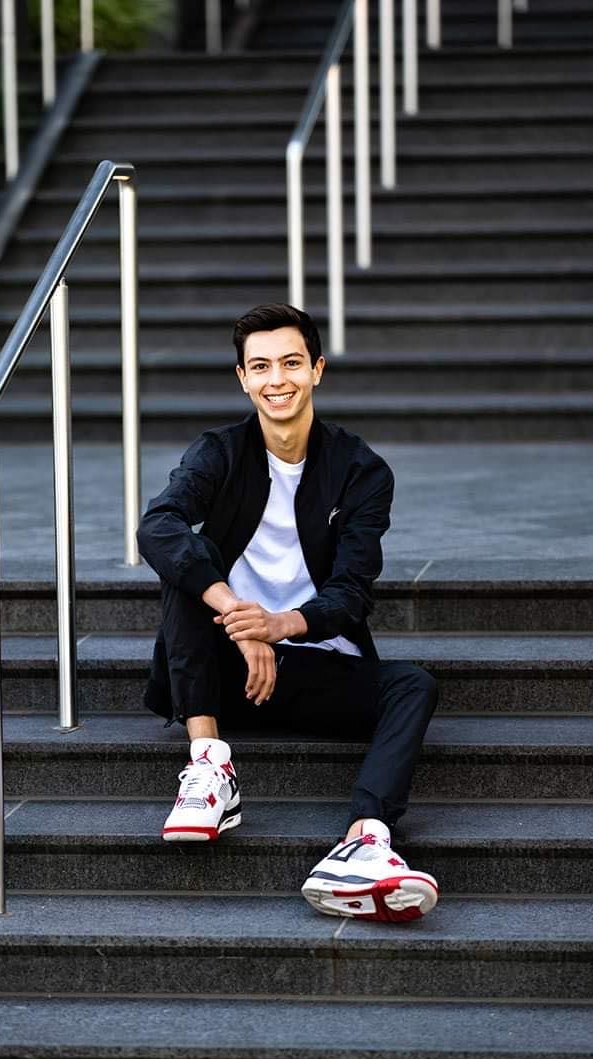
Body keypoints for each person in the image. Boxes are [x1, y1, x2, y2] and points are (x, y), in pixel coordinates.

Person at [137, 303, 439, 923]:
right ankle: (209, 767)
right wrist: (237, 616)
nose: (278, 379)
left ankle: (367, 839)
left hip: (310, 663)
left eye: (292, 363)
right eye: (261, 366)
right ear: (243, 379)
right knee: (190, 562)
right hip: (221, 675)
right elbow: (157, 527)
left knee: (413, 685)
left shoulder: (360, 470)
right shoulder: (218, 452)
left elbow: (352, 590)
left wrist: (280, 627)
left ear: (317, 370)